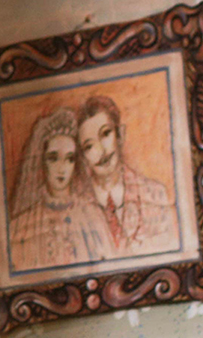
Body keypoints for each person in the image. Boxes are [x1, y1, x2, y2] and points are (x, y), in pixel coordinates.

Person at [7, 107, 112, 273]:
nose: (62, 168)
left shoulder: (93, 217)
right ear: (42, 161)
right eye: (53, 158)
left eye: (69, 159)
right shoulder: (21, 226)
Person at [75, 95, 178, 258]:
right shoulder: (76, 208)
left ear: (120, 134)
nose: (101, 150)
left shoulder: (156, 193)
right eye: (89, 146)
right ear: (82, 157)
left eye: (105, 134)